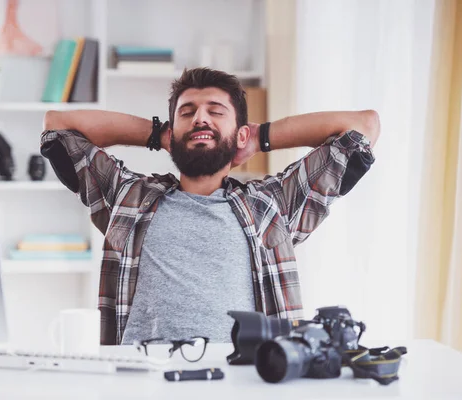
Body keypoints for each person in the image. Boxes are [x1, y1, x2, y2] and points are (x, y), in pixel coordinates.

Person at [40, 67, 379, 346]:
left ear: (240, 134)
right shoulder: (129, 197)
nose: (200, 118)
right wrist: (159, 132)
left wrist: (260, 137)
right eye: (187, 113)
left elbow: (363, 127)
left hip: (239, 381)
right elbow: (57, 125)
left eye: (215, 112)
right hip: (141, 380)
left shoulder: (270, 206)